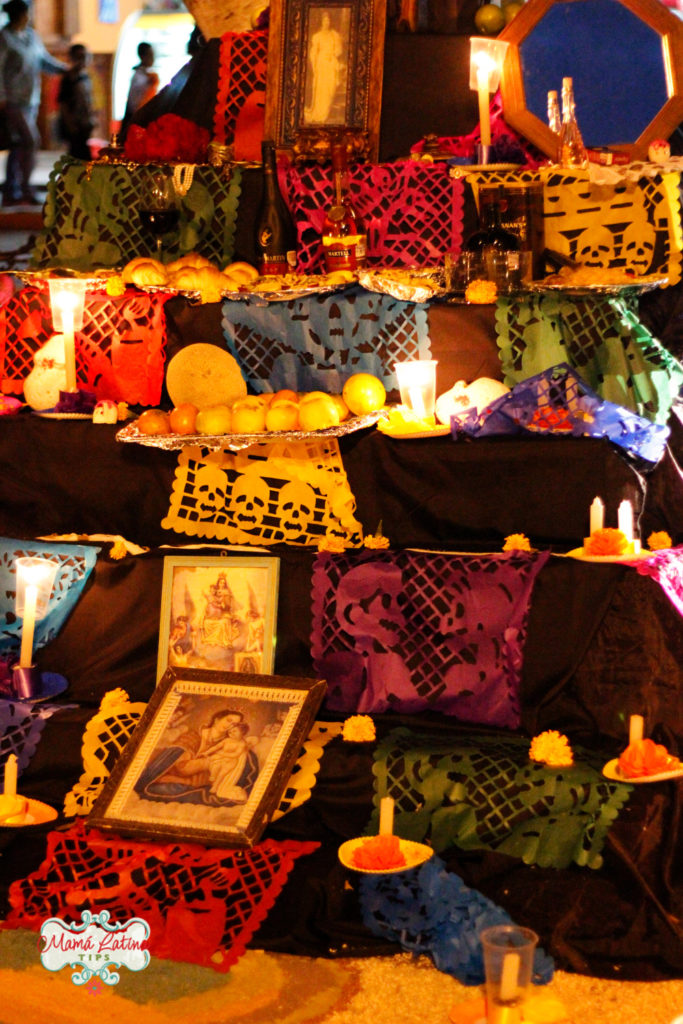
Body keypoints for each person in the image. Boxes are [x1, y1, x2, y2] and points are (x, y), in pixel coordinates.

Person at [0, 0, 66, 206]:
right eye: (26, 13)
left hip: (31, 98)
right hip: (11, 99)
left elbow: (43, 60)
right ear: (18, 15)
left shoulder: (31, 36)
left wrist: (67, 69)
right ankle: (26, 187)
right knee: (30, 140)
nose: (29, 17)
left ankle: (13, 189)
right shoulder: (4, 38)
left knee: (18, 143)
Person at [304, 12, 343, 125]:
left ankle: (326, 111)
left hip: (331, 63)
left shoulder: (334, 34)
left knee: (330, 89)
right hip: (321, 64)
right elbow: (313, 52)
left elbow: (339, 49)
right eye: (325, 20)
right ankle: (320, 114)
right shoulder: (317, 36)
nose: (327, 22)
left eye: (328, 20)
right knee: (322, 89)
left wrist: (333, 54)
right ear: (321, 22)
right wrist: (315, 65)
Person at [57, 43, 94, 161]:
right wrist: (70, 124)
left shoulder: (85, 77)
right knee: (77, 157)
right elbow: (63, 103)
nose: (83, 60)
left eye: (84, 56)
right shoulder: (69, 78)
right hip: (74, 124)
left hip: (85, 123)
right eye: (79, 56)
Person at [119, 41, 159, 142]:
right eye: (150, 55)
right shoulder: (139, 77)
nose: (153, 59)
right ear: (142, 56)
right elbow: (135, 104)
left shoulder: (148, 76)